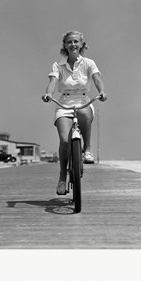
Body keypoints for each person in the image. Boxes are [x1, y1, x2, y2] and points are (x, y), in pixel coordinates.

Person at [42, 31, 107, 195]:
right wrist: (48, 93)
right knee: (64, 141)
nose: (73, 45)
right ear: (65, 45)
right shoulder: (58, 65)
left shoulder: (89, 63)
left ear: (81, 44)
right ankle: (62, 176)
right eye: (69, 42)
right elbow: (53, 82)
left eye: (76, 42)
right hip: (64, 103)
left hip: (83, 100)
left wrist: (102, 91)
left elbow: (97, 79)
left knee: (85, 113)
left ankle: (87, 149)